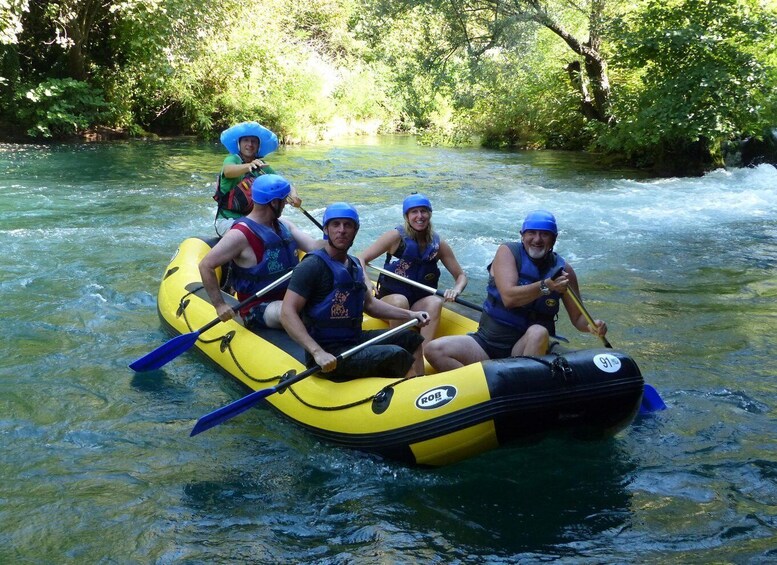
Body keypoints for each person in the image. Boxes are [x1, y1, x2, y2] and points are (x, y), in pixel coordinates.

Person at [425, 210, 607, 372]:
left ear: (554, 239)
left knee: (538, 331)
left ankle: (518, 386)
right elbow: (509, 298)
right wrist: (547, 286)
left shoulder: (564, 271)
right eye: (532, 233)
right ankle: (484, 388)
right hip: (487, 344)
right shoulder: (507, 252)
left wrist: (592, 325)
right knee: (434, 350)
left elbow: (578, 319)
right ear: (522, 235)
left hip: (526, 347)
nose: (537, 239)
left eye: (544, 234)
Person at [281, 202, 430, 380]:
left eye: (348, 225)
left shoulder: (354, 265)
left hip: (354, 340)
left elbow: (370, 305)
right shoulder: (312, 266)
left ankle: (422, 388)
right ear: (326, 229)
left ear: (355, 230)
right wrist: (317, 352)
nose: (342, 230)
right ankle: (412, 396)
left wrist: (410, 314)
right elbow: (287, 313)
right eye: (336, 224)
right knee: (396, 354)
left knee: (411, 339)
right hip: (328, 353)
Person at [357, 193, 467, 376]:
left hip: (417, 303)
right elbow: (361, 258)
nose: (420, 216)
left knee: (435, 302)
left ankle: (423, 357)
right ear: (407, 216)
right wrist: (367, 282)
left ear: (429, 214)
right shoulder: (395, 237)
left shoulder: (438, 245)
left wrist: (456, 289)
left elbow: (461, 275)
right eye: (414, 212)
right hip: (390, 301)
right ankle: (401, 357)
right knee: (401, 301)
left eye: (423, 211)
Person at [199, 174, 323, 330]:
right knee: (287, 310)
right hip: (258, 307)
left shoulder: (284, 225)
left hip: (292, 297)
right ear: (274, 203)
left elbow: (313, 246)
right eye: (283, 201)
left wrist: (333, 237)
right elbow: (206, 265)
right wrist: (219, 305)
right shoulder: (240, 234)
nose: (285, 204)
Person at [213, 121, 301, 237]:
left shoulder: (261, 166)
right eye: (246, 140)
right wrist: (248, 166)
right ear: (239, 144)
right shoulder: (232, 159)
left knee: (286, 228)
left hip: (253, 220)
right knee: (251, 234)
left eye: (253, 141)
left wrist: (293, 196)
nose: (250, 144)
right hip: (227, 220)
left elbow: (284, 184)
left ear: (258, 146)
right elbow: (228, 171)